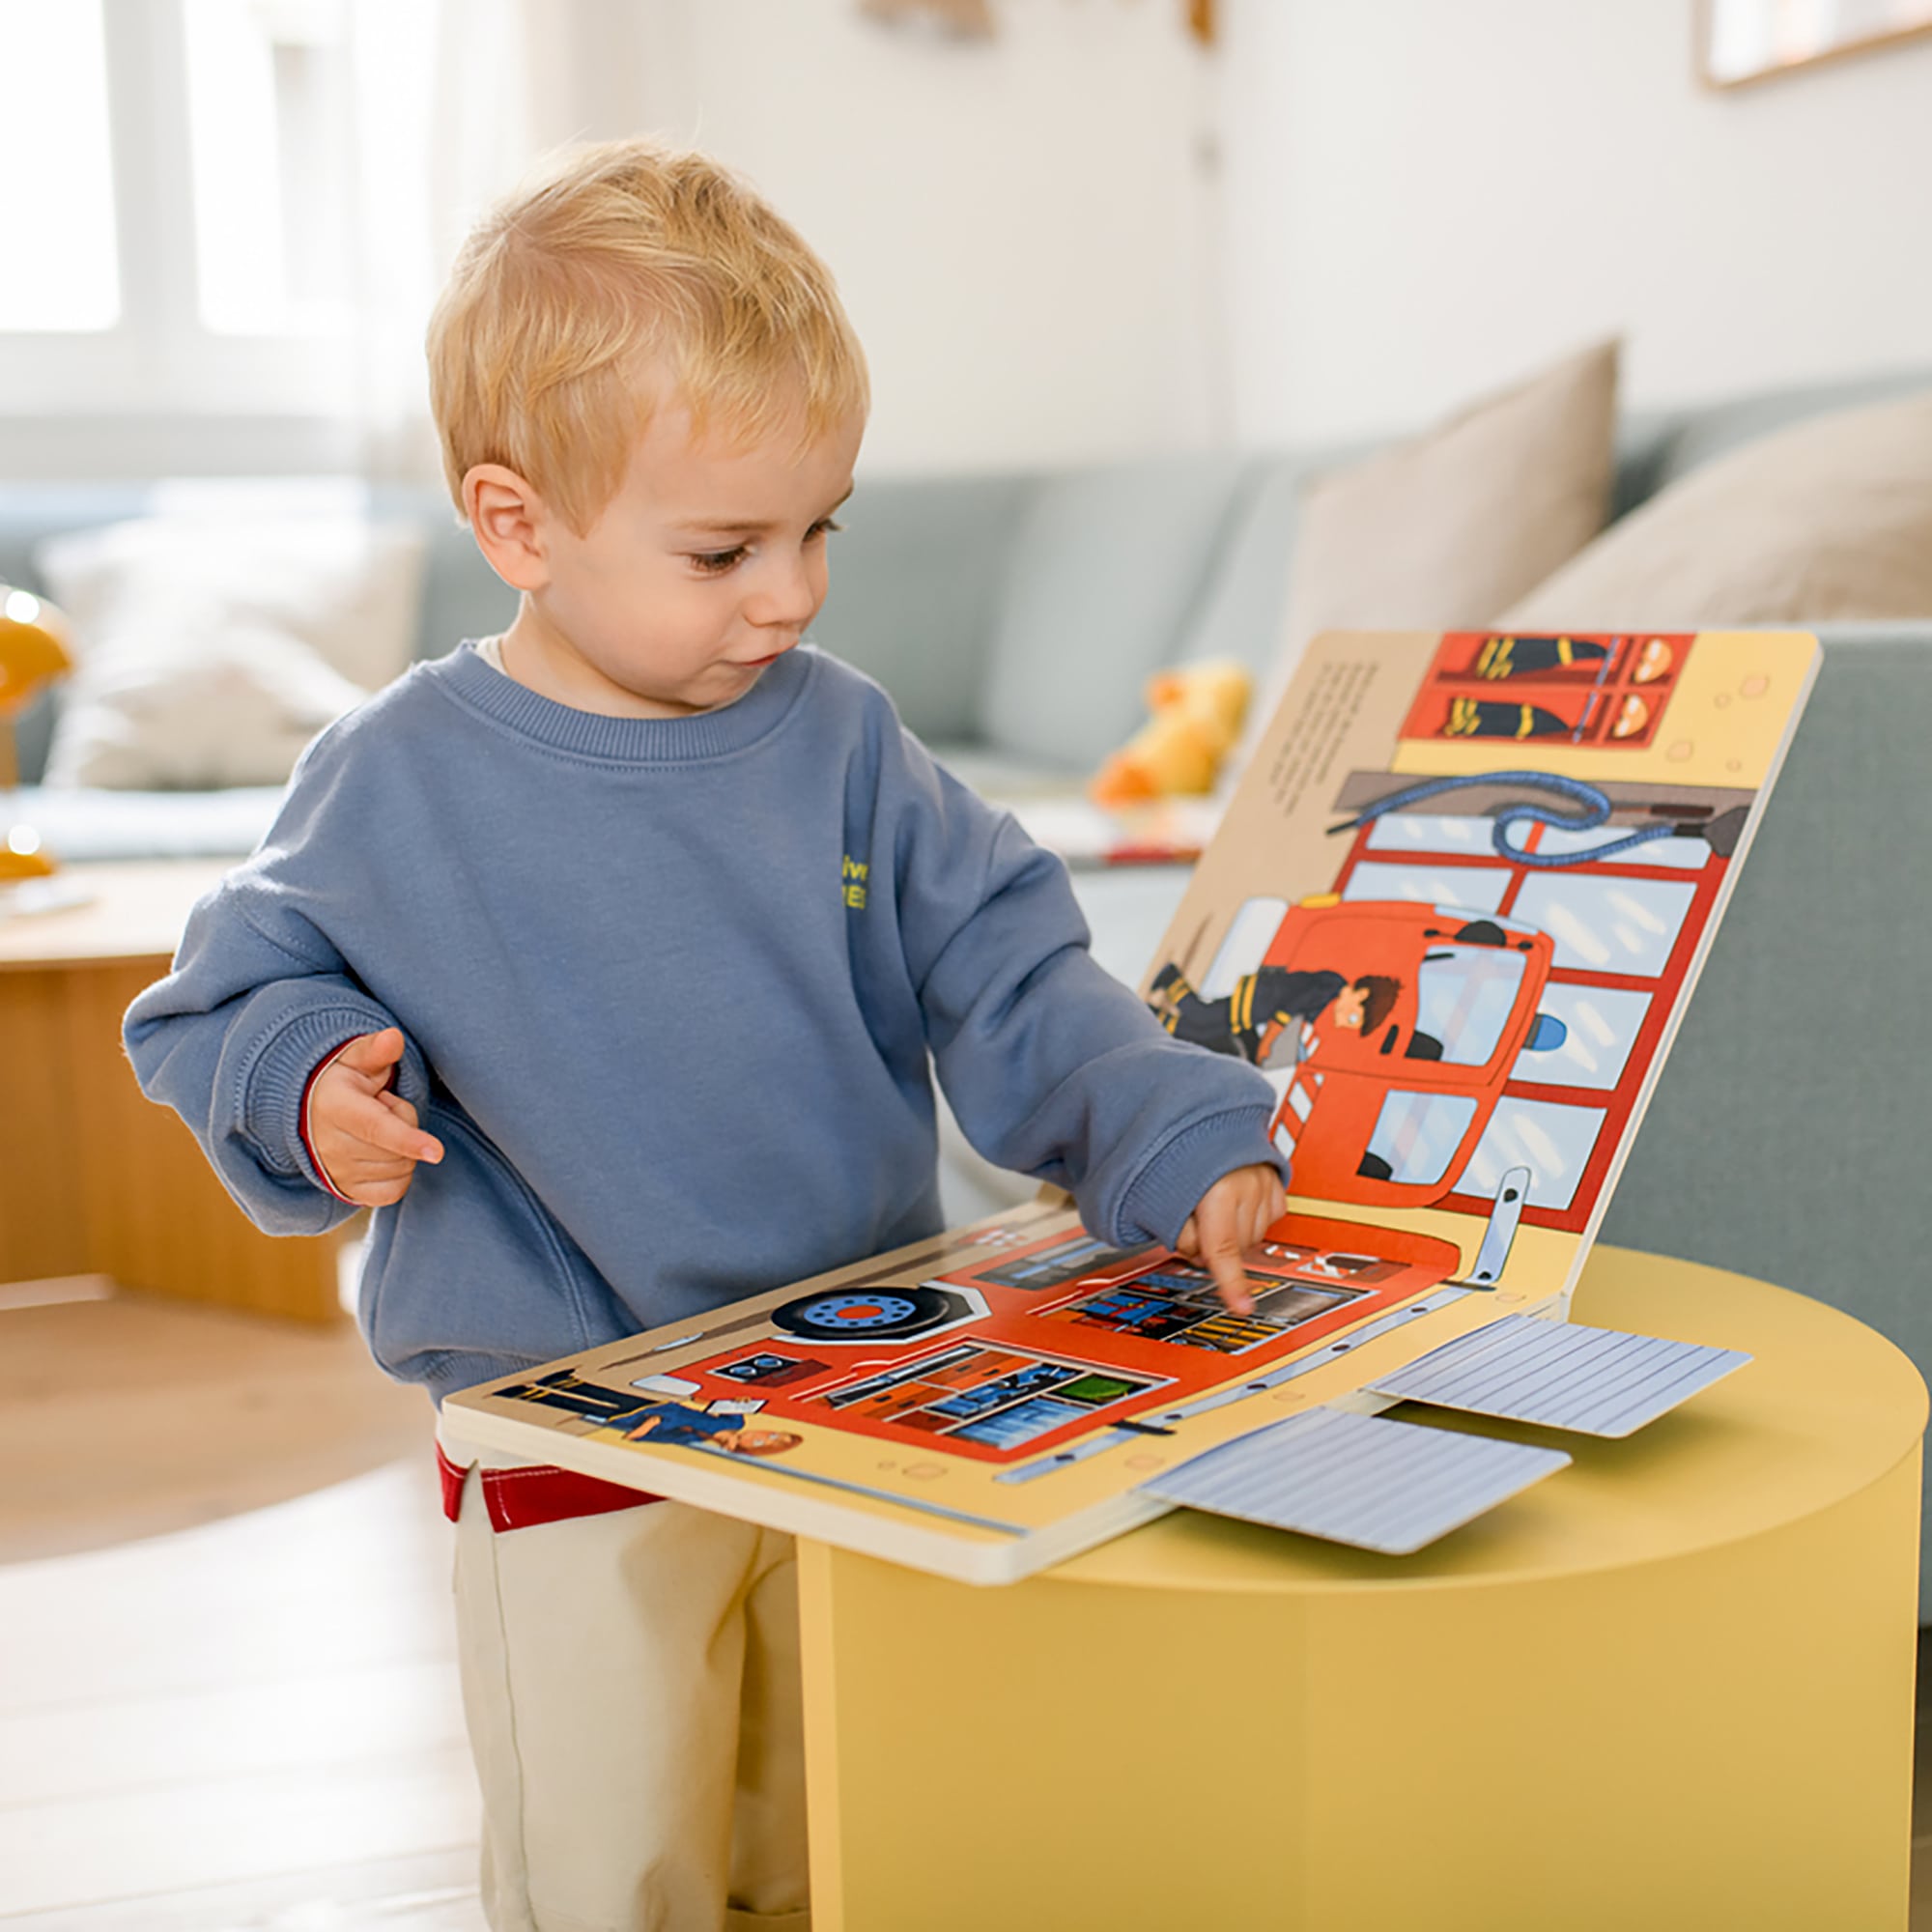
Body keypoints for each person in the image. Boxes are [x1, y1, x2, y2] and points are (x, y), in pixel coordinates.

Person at [123, 137, 1288, 1932]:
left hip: (858, 1382)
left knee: (832, 1816)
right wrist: (304, 1079)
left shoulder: (842, 738)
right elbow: (220, 994)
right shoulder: (396, 781)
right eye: (727, 548)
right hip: (565, 1417)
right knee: (618, 1851)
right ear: (517, 526)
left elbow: (1003, 951)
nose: (795, 592)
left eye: (823, 528)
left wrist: (1162, 1116)